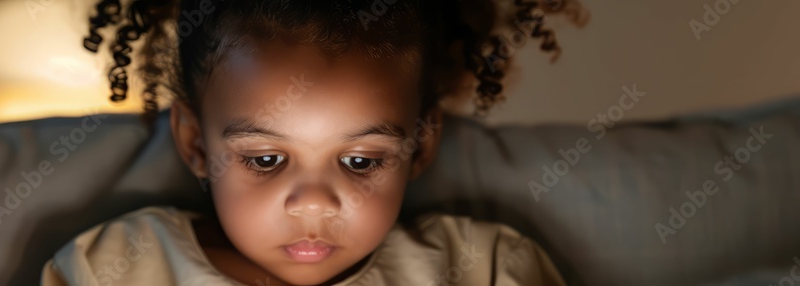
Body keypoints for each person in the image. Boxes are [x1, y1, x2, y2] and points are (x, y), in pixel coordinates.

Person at [43, 0, 585, 285]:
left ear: (420, 146)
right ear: (196, 144)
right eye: (266, 159)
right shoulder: (116, 266)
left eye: (358, 160)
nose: (314, 203)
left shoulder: (486, 268)